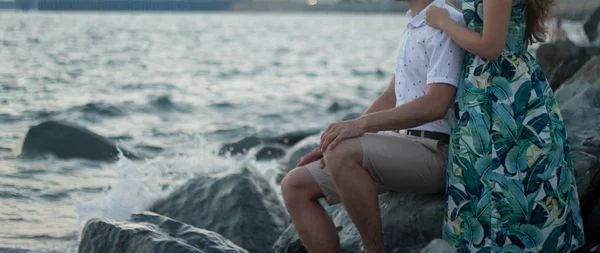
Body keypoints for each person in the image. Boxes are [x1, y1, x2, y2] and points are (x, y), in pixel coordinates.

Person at [280, 0, 465, 252]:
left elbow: (436, 104)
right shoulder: (415, 22)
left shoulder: (445, 21)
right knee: (295, 185)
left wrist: (359, 126)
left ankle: (373, 249)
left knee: (343, 154)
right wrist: (340, 136)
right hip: (402, 148)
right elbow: (391, 94)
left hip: (436, 151)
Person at [425, 0, 586, 252]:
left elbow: (490, 46)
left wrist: (443, 21)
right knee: (490, 179)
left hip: (503, 92)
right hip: (492, 88)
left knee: (506, 179)